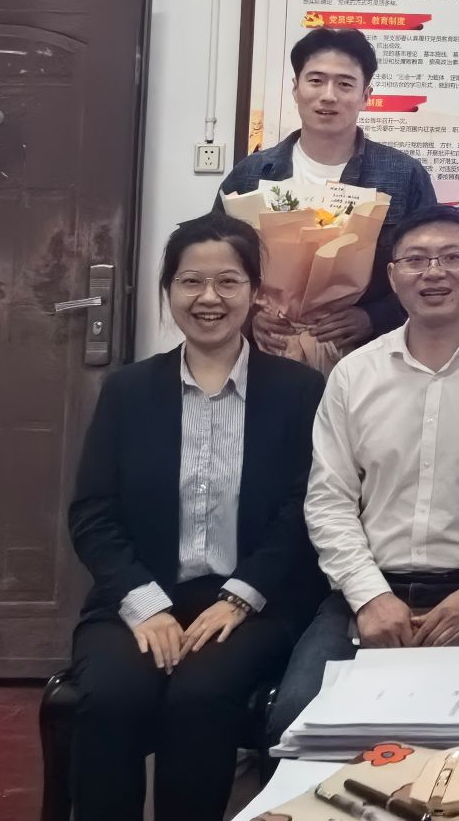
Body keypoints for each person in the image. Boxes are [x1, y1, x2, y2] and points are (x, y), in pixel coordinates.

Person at [66, 216, 325, 821]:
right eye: (191, 282)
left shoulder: (298, 390)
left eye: (228, 281)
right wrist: (144, 603)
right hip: (138, 595)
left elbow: (304, 508)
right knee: (111, 697)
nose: (209, 298)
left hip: (252, 603)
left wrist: (241, 597)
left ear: (255, 292)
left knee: (199, 696)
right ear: (169, 290)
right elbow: (93, 513)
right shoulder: (128, 391)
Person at [269, 206, 459, 744]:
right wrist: (368, 596)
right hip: (373, 591)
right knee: (294, 723)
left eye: (453, 257)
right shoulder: (354, 373)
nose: (434, 272)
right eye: (416, 260)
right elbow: (329, 499)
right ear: (392, 275)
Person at [219, 26, 437, 353]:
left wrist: (373, 317)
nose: (329, 95)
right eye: (316, 80)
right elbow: (218, 261)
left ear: (366, 96)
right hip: (270, 356)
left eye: (345, 84)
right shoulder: (250, 174)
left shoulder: (404, 175)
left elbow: (431, 266)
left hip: (373, 355)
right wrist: (251, 316)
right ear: (296, 89)